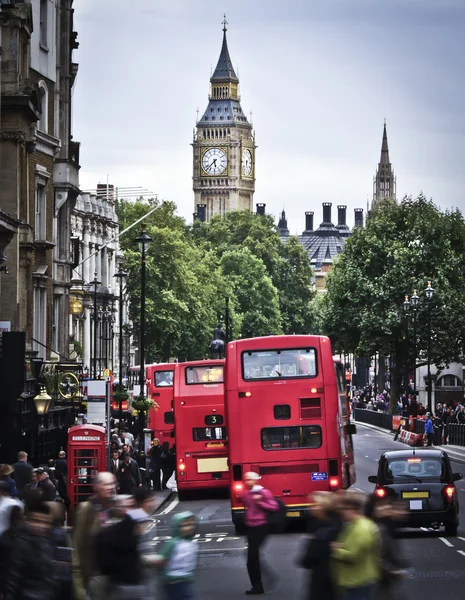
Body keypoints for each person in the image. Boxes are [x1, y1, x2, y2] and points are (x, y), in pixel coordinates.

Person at [73, 472, 117, 600]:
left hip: (115, 578)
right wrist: (79, 588)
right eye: (107, 484)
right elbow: (77, 546)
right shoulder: (86, 509)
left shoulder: (116, 508)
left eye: (113, 483)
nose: (111, 487)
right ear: (96, 487)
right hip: (95, 576)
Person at [4, 498, 57, 600]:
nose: (40, 526)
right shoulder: (20, 543)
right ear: (28, 521)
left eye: (45, 522)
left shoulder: (48, 541)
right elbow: (13, 578)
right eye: (36, 521)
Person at [331, 491, 381, 600]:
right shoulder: (353, 525)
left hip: (358, 582)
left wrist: (336, 550)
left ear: (352, 508)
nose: (341, 512)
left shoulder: (361, 528)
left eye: (343, 509)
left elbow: (354, 555)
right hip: (353, 581)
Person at [298, 492, 342, 600]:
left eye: (315, 504)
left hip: (325, 579)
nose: (311, 508)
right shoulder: (320, 523)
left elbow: (308, 559)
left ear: (324, 507)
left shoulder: (325, 531)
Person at [242, 471, 279, 595]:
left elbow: (274, 507)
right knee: (252, 557)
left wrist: (260, 502)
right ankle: (260, 583)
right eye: (246, 480)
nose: (247, 482)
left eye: (250, 480)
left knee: (252, 557)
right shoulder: (246, 493)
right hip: (250, 527)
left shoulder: (264, 492)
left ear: (256, 480)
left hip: (261, 526)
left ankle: (258, 585)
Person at [159, 512, 199, 600]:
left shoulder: (192, 543)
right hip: (175, 584)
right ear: (176, 527)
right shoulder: (173, 543)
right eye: (184, 526)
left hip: (186, 582)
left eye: (191, 524)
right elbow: (162, 561)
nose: (189, 528)